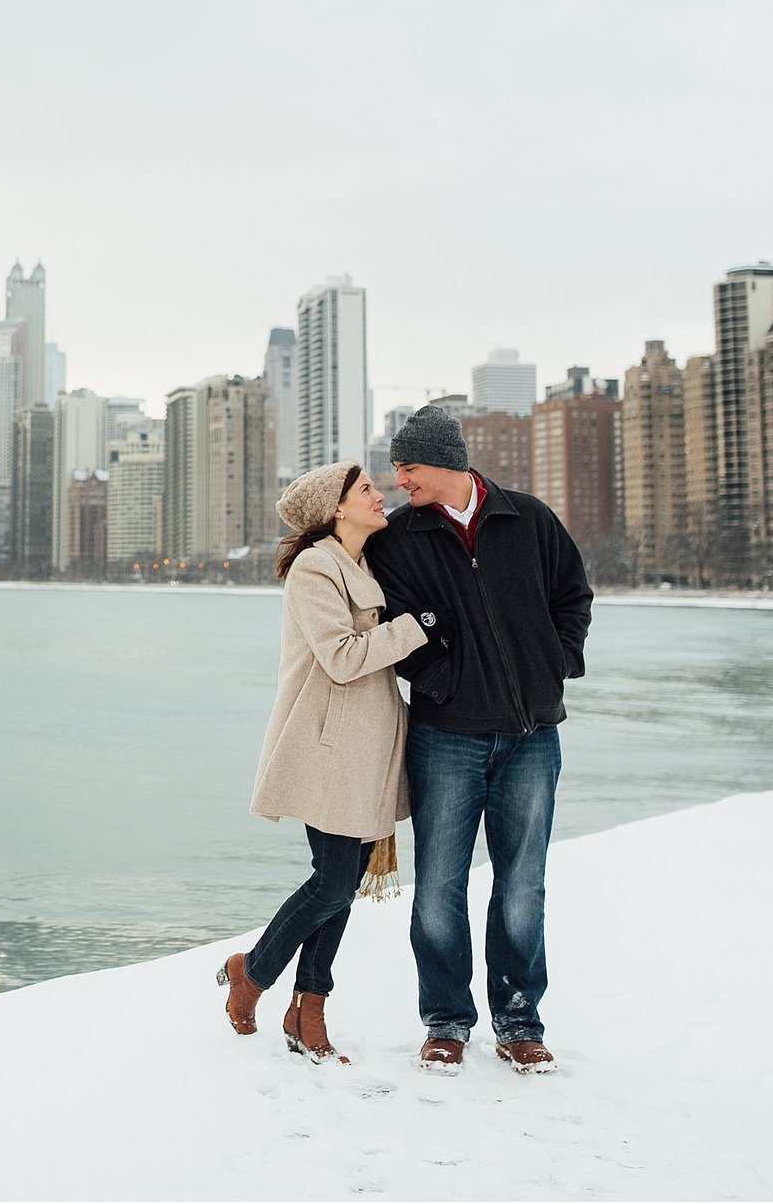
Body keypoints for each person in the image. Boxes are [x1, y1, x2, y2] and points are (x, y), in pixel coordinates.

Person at [363, 402, 592, 1075]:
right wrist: (443, 680)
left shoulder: (529, 519)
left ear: (444, 462)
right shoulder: (397, 540)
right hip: (446, 737)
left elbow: (571, 597)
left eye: (408, 467)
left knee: (523, 886)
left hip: (532, 739)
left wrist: (558, 661)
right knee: (438, 886)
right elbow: (396, 633)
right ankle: (445, 1021)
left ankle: (520, 1020)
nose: (400, 479)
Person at [219, 462, 427, 1065]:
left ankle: (307, 1007)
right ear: (336, 508)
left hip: (368, 752)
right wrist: (416, 628)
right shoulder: (315, 568)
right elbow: (339, 658)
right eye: (366, 490)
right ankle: (251, 973)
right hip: (328, 747)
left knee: (341, 887)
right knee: (334, 881)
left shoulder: (362, 563)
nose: (379, 495)